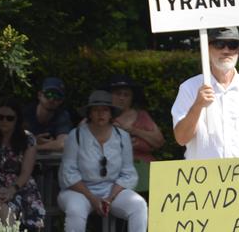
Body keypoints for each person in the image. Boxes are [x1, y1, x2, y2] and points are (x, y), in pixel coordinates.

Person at [171, 27, 239, 160]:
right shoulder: (189, 88)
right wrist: (197, 106)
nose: (226, 50)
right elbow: (181, 138)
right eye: (219, 44)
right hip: (202, 178)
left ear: (238, 51)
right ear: (207, 49)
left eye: (232, 45)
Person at [58, 90, 147, 232]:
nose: (101, 114)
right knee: (76, 210)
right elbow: (68, 174)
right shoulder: (76, 136)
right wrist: (92, 198)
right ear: (89, 113)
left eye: (105, 110)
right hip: (79, 191)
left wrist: (110, 198)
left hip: (112, 189)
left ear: (111, 113)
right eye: (96, 110)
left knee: (139, 205)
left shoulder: (122, 136)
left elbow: (128, 173)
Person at [0, 99, 45, 230]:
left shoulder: (28, 139)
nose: (4, 121)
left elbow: (26, 172)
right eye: (0, 117)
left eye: (9, 118)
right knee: (0, 207)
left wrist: (12, 190)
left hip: (20, 186)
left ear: (17, 119)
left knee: (26, 218)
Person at [107, 74, 165, 163]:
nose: (122, 98)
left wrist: (133, 130)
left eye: (126, 95)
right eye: (118, 94)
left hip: (142, 166)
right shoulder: (99, 115)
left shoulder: (142, 116)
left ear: (131, 98)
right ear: (110, 95)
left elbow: (159, 142)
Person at [22, 77, 72, 152]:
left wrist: (35, 147)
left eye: (57, 96)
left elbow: (63, 144)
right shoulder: (26, 113)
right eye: (48, 94)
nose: (51, 99)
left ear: (61, 101)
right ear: (39, 95)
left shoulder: (62, 115)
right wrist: (34, 140)